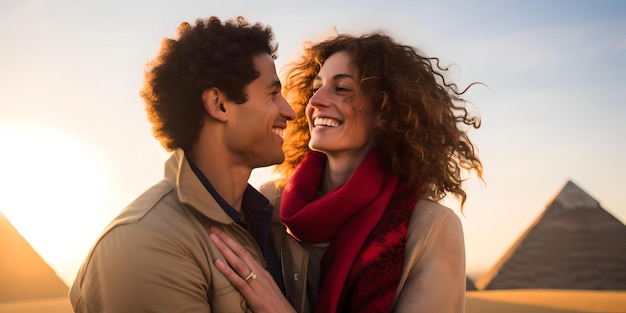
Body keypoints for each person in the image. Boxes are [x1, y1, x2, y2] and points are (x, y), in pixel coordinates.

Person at [209, 31, 484, 313]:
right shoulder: (267, 204)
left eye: (341, 89)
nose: (315, 101)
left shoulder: (430, 228)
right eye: (316, 87)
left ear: (386, 113)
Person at [69, 16, 299, 312]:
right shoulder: (145, 246)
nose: (290, 111)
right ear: (219, 104)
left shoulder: (270, 221)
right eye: (272, 93)